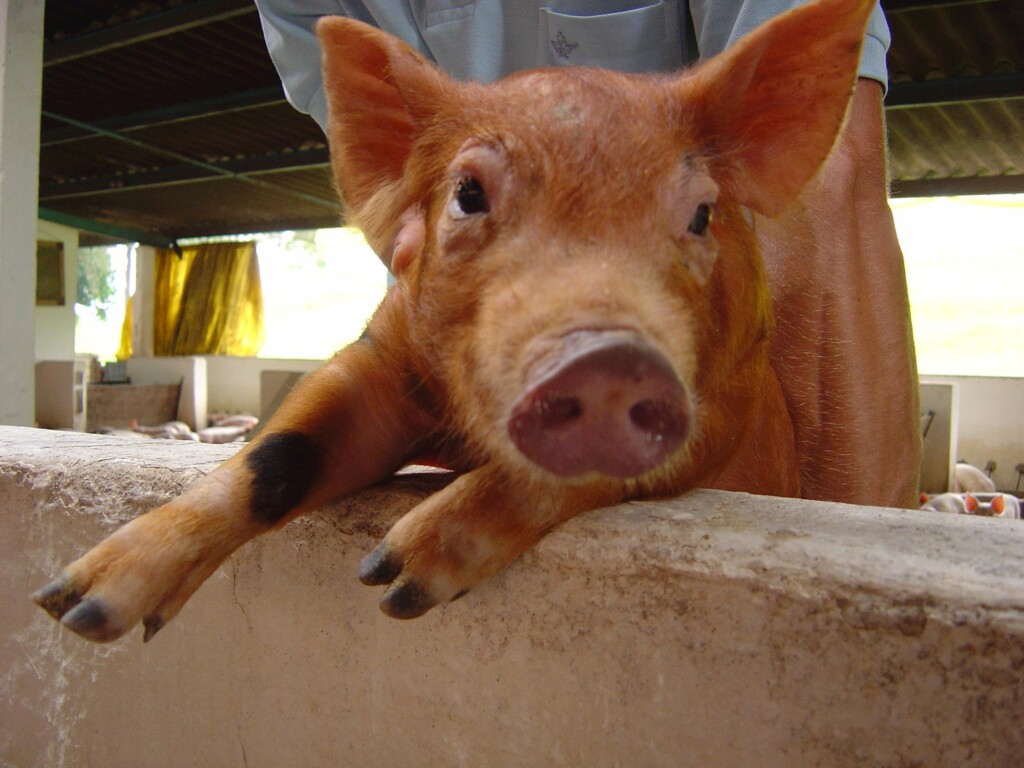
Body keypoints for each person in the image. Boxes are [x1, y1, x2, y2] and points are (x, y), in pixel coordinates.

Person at [253, 0, 922, 509]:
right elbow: (407, 208)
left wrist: (838, 552)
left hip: (715, 367)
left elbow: (826, 187)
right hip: (495, 374)